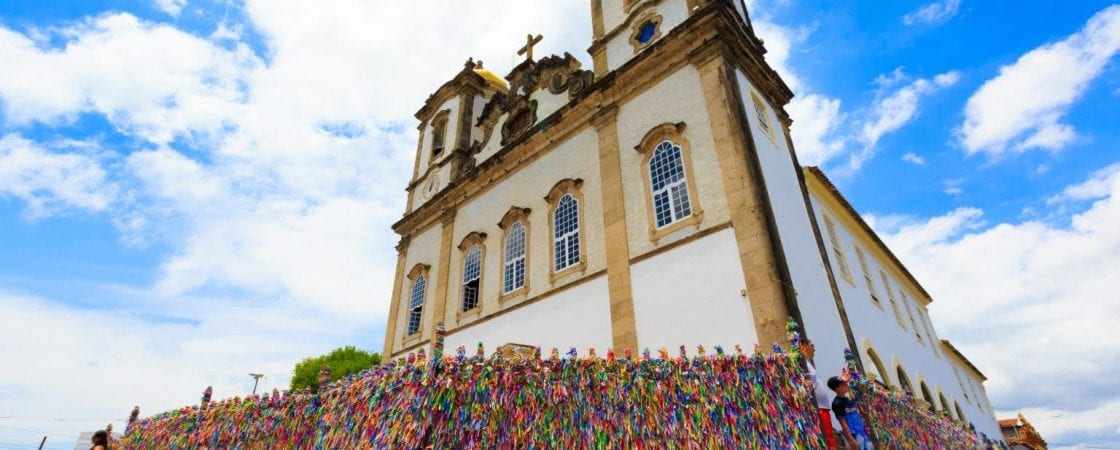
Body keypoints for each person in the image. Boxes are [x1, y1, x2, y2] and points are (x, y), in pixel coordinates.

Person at [800, 339, 837, 448]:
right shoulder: (803, 364)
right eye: (812, 345)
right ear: (805, 346)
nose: (814, 349)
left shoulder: (808, 364)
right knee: (827, 441)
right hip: (818, 409)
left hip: (822, 408)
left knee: (830, 439)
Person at [828, 376, 873, 450]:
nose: (847, 385)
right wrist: (851, 440)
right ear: (837, 388)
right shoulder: (837, 403)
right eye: (844, 384)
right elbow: (843, 423)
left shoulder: (848, 400)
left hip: (861, 432)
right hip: (853, 434)